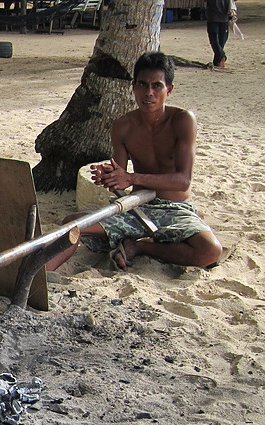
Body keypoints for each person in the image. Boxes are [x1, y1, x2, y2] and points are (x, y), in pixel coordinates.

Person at [47, 51, 222, 272]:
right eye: (142, 85)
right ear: (134, 87)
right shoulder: (123, 125)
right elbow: (120, 178)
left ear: (169, 90)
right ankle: (38, 279)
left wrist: (131, 177)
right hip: (136, 207)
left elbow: (183, 181)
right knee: (71, 225)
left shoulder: (183, 121)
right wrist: (110, 176)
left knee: (210, 251)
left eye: (157, 86)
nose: (148, 93)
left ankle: (140, 248)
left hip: (175, 208)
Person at [206, 0, 237, 68]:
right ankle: (220, 57)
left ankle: (219, 58)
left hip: (214, 16)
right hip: (223, 16)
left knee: (214, 39)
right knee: (221, 39)